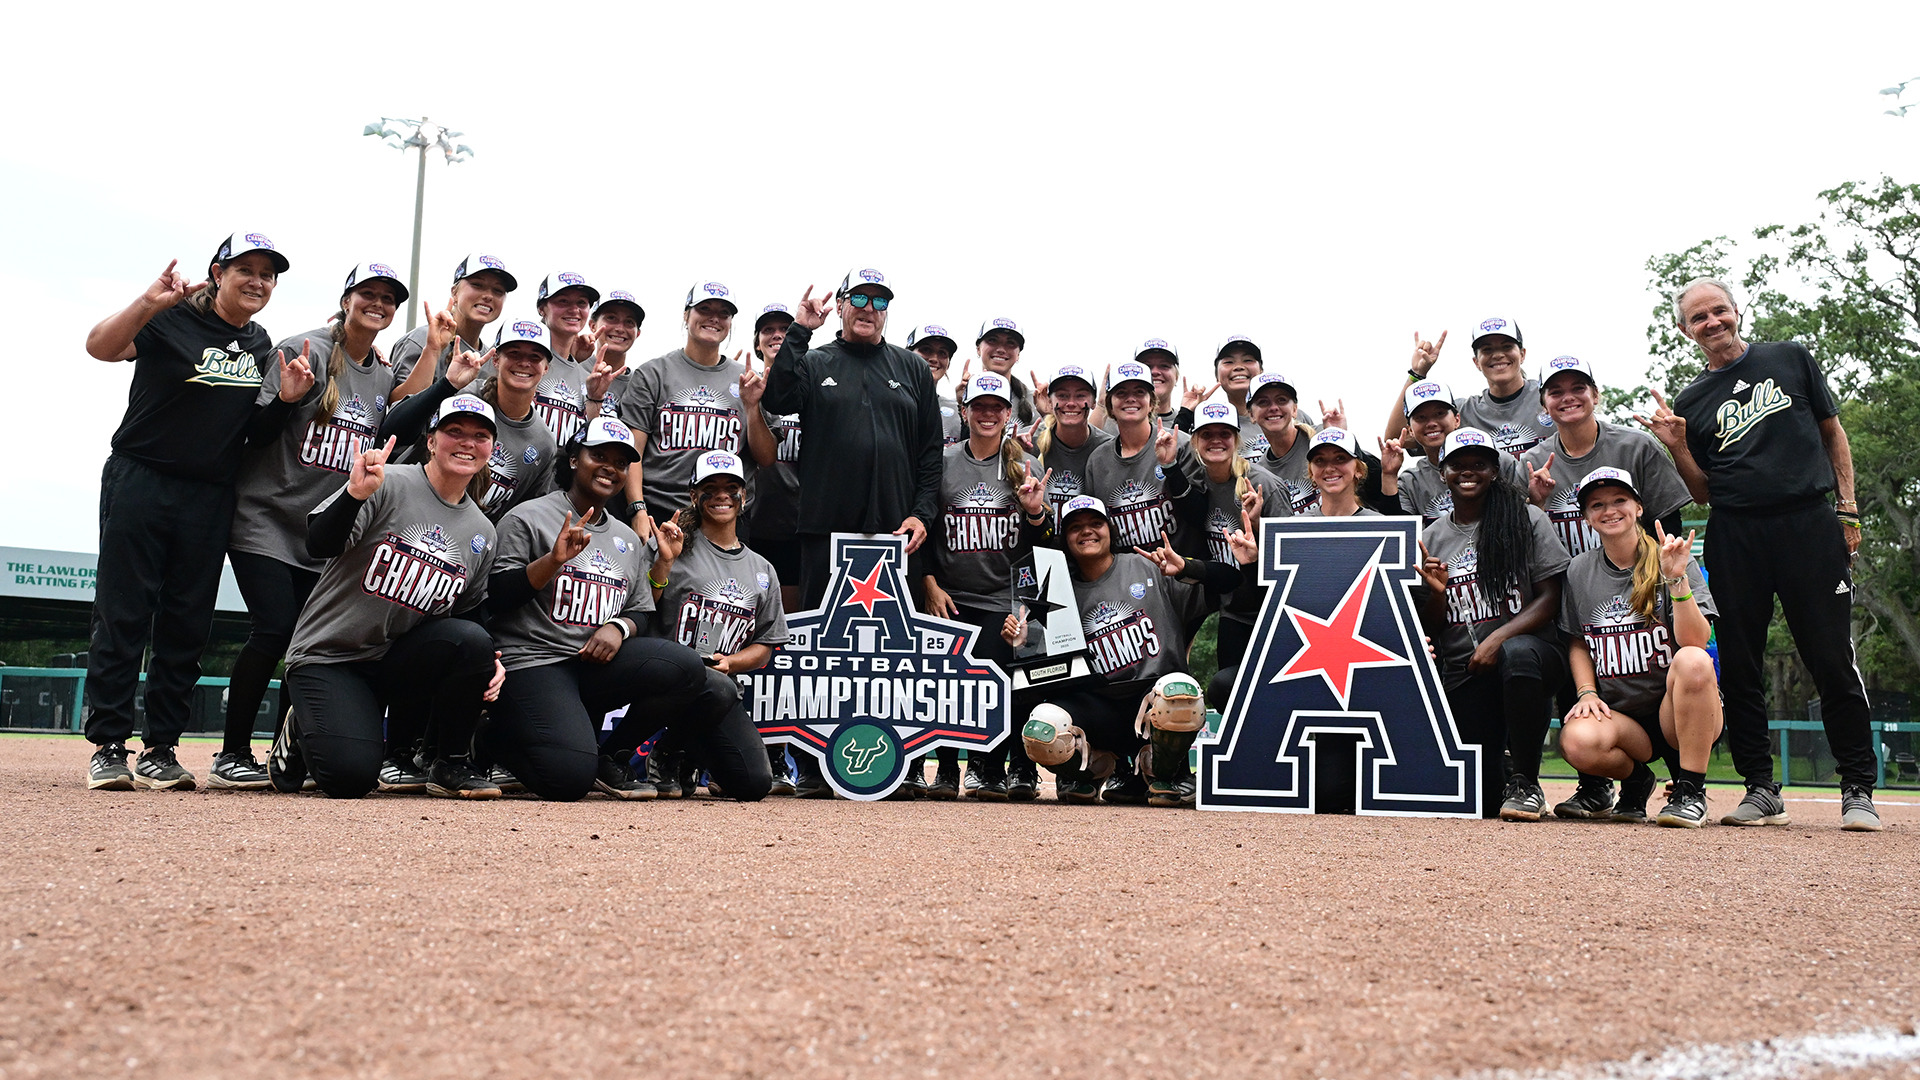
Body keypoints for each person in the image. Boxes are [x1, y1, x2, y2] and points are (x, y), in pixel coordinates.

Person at [1659, 277, 1880, 830]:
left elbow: (1833, 434)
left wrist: (1848, 508)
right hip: (1736, 532)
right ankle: (1760, 788)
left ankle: (1858, 787)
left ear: (1736, 310)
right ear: (1685, 331)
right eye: (1698, 317)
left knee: (1830, 656)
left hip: (1808, 522)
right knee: (1739, 663)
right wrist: (1679, 444)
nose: (1712, 322)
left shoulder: (1790, 358)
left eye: (1719, 310)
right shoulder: (1691, 400)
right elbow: (1703, 492)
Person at [83, 232, 299, 793]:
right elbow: (99, 347)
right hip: (141, 477)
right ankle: (109, 745)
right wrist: (147, 303)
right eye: (245, 269)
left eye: (268, 274)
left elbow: (253, 434)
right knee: (124, 613)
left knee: (186, 622)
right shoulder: (169, 318)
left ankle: (161, 749)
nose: (257, 281)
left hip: (210, 494)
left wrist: (286, 402)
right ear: (218, 273)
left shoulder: (259, 343)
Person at [219, 261, 437, 790]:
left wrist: (434, 351)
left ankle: (288, 756)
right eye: (368, 294)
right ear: (346, 300)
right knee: (275, 630)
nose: (378, 304)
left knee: (307, 643)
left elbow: (404, 413)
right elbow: (254, 433)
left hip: (324, 533)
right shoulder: (305, 348)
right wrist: (288, 398)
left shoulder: (381, 373)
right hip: (266, 517)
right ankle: (232, 753)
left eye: (388, 298)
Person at [479, 421, 771, 803]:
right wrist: (552, 561)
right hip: (537, 660)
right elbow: (497, 598)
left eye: (620, 463)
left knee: (685, 666)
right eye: (598, 455)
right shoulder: (528, 517)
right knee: (569, 780)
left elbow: (640, 611)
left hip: (590, 664)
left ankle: (612, 757)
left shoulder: (626, 538)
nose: (610, 468)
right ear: (573, 459)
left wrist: (618, 626)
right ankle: (492, 738)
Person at [270, 395, 506, 799]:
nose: (467, 442)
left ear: (491, 450)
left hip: (392, 663)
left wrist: (490, 661)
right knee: (350, 780)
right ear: (431, 441)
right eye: (454, 431)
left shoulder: (482, 530)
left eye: (480, 436)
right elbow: (318, 544)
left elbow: (466, 618)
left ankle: (450, 764)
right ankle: (300, 723)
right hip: (331, 656)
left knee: (472, 642)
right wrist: (354, 495)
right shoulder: (387, 481)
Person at [1520, 354, 1695, 820]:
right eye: (1556, 391)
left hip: (1640, 578)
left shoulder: (1633, 446)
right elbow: (1518, 534)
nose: (1568, 397)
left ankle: (1688, 782)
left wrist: (1668, 574)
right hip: (1566, 586)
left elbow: (1669, 521)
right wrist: (1533, 503)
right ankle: (1596, 785)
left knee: (1680, 660)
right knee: (1577, 681)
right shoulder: (1533, 461)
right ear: (1543, 404)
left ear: (1596, 395)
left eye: (1578, 387)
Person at [1001, 497, 1257, 807]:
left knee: (1181, 691)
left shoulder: (1146, 565)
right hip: (1097, 710)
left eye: (1096, 523)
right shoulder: (1057, 593)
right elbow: (1045, 677)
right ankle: (1093, 770)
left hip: (1151, 703)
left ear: (1110, 530)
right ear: (1065, 539)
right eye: (1075, 527)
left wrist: (1188, 567)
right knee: (1041, 730)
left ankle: (1163, 772)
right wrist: (1025, 642)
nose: (1087, 531)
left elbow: (1230, 585)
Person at [761, 269, 943, 609]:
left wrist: (921, 515)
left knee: (894, 634)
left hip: (898, 531)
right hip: (826, 531)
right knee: (823, 633)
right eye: (859, 298)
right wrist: (800, 330)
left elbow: (931, 453)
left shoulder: (913, 368)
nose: (868, 308)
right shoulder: (814, 362)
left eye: (879, 301)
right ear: (842, 305)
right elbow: (777, 400)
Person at [1414, 428, 1571, 821]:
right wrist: (1437, 593)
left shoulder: (1526, 517)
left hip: (1532, 660)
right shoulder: (1430, 537)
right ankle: (1502, 770)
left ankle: (1526, 782)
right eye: (1458, 465)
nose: (1468, 471)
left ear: (1495, 471)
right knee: (1480, 801)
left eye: (1479, 464)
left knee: (1517, 654)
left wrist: (1498, 638)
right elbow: (1431, 625)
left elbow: (1551, 596)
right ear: (1443, 473)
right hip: (1466, 671)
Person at [1556, 468, 1722, 827]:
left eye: (1620, 500)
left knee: (1694, 661)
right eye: (1597, 505)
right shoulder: (1579, 570)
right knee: (1576, 741)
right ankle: (1637, 781)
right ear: (1586, 517)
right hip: (1625, 718)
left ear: (1639, 508)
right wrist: (1586, 692)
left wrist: (1677, 580)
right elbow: (1578, 641)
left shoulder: (1672, 555)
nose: (1609, 510)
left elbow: (1696, 641)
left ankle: (1690, 792)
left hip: (1677, 710)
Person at [921, 372, 1054, 800]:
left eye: (996, 407)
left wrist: (1034, 513)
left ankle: (990, 767)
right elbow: (923, 527)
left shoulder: (1026, 465)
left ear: (1008, 413)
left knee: (999, 677)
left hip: (1002, 598)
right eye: (979, 406)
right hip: (949, 594)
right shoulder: (943, 461)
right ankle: (945, 768)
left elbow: (1045, 545)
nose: (987, 414)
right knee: (944, 681)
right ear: (965, 412)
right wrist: (928, 583)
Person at [645, 451, 788, 800]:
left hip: (719, 690)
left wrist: (731, 663)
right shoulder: (672, 544)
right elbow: (642, 607)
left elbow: (765, 646)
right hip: (664, 679)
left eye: (730, 487)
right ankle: (666, 753)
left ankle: (689, 754)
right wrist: (664, 563)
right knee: (706, 682)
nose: (721, 495)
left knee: (755, 783)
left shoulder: (762, 569)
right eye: (711, 488)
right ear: (694, 495)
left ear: (744, 495)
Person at [619, 280, 776, 530]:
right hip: (661, 510)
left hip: (727, 516)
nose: (714, 318)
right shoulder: (653, 373)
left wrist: (751, 407)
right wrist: (637, 509)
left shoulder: (748, 380)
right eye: (704, 309)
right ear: (686, 315)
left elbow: (766, 458)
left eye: (723, 313)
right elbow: (631, 452)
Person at [1186, 390, 1287, 712]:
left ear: (1237, 439)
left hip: (1273, 610)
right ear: (1195, 441)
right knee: (1228, 697)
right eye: (1207, 434)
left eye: (1225, 434)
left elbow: (1292, 558)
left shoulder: (1262, 484)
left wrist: (1258, 527)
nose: (1216, 440)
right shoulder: (1197, 483)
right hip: (1234, 609)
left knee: (1274, 700)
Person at [1386, 319, 1550, 456]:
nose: (1498, 355)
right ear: (1476, 362)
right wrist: (1417, 373)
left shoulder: (1550, 396)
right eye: (1487, 350)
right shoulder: (1464, 413)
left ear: (1522, 354)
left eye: (1507, 346)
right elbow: (1396, 438)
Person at [1086, 360, 1192, 552]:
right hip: (1124, 567)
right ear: (1110, 405)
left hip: (1179, 565)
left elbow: (1199, 515)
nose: (1131, 399)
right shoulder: (1097, 460)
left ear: (1151, 403)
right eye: (1121, 393)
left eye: (1139, 392)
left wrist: (1171, 467)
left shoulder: (1181, 444)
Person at [1393, 379, 1528, 525]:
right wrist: (1389, 475)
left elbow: (1525, 515)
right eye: (1421, 417)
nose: (1431, 423)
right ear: (1410, 430)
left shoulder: (1500, 460)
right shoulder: (1410, 481)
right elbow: (1399, 531)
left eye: (1439, 413)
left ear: (1457, 419)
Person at [388, 253, 515, 385]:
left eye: (498, 290)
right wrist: (432, 351)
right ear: (454, 292)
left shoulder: (492, 360)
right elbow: (400, 398)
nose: (488, 296)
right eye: (477, 285)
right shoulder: (422, 340)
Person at [1026, 364, 1116, 522]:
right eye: (1062, 396)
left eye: (1080, 396)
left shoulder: (1108, 448)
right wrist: (1015, 452)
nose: (1071, 403)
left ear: (1094, 402)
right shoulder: (1030, 441)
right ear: (1050, 402)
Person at [530, 271, 602, 446]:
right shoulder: (518, 356)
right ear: (542, 308)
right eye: (563, 301)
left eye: (582, 303)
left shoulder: (585, 375)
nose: (574, 309)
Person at [1247, 372, 1320, 513]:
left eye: (1281, 400)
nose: (1273, 407)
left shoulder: (1320, 438)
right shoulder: (1260, 475)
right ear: (1251, 415)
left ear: (1295, 409)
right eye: (1263, 402)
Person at [1301, 428, 1392, 518]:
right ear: (1311, 473)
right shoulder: (1297, 524)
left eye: (1340, 458)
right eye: (1319, 460)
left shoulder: (1377, 523)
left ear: (1358, 469)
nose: (1329, 469)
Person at [906, 323, 966, 447]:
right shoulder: (890, 400)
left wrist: (966, 404)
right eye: (926, 350)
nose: (934, 358)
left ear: (948, 364)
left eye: (942, 353)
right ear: (906, 354)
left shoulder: (956, 410)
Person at [974, 317, 1037, 431]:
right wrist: (961, 404)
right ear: (978, 349)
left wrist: (1048, 414)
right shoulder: (962, 398)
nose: (1001, 349)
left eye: (1010, 343)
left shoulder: (1034, 400)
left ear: (1018, 355)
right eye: (992, 340)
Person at [1213, 336, 1268, 459]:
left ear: (1261, 370)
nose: (1239, 367)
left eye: (1248, 360)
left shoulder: (1291, 417)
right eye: (1229, 362)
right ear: (1217, 375)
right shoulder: (1208, 426)